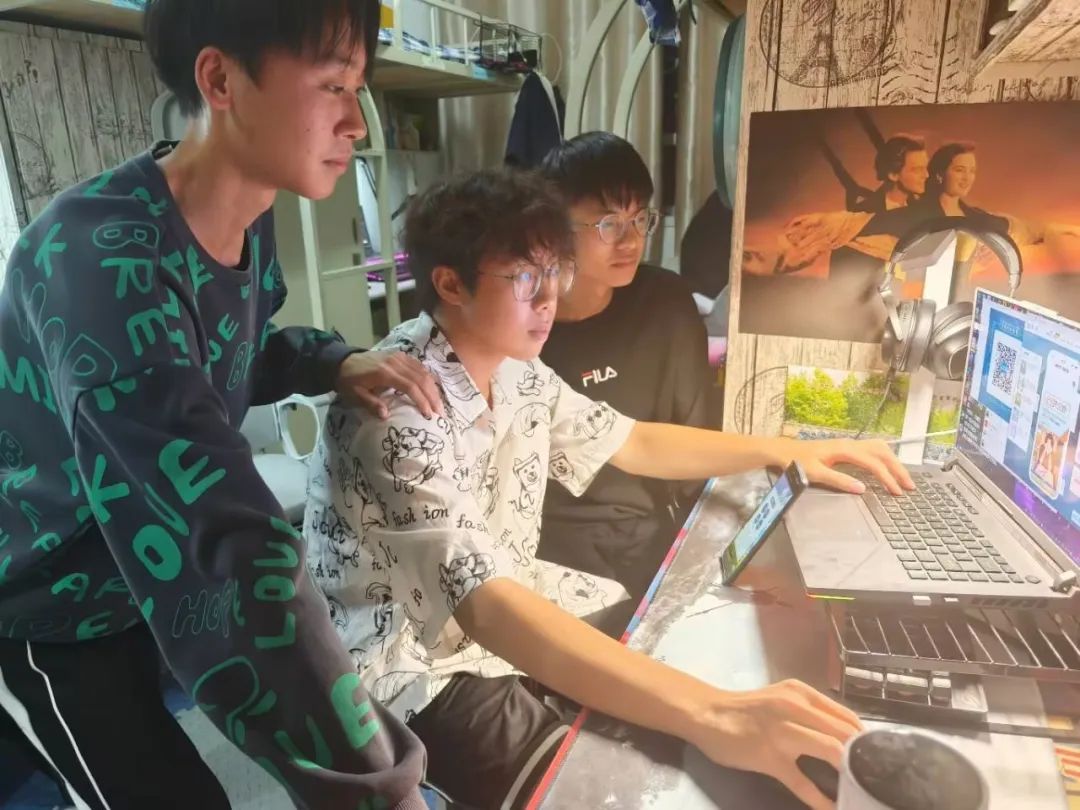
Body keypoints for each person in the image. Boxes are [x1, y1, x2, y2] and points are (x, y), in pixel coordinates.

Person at [305, 168, 915, 810]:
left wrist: (785, 451)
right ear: (451, 284)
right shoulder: (395, 413)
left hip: (507, 598)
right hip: (408, 667)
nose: (549, 299)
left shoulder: (513, 366)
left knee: (684, 649)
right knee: (601, 784)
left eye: (555, 272)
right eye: (525, 278)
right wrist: (715, 715)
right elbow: (483, 606)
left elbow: (631, 441)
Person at [0, 1, 440, 807]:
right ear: (221, 79)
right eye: (333, 85)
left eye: (359, 89)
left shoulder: (246, 221)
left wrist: (333, 360)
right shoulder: (98, 262)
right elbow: (231, 553)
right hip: (55, 606)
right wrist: (383, 789)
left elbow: (231, 354)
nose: (355, 122)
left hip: (143, 576)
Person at [535, 131, 713, 601]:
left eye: (640, 219)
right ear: (554, 226)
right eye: (608, 223)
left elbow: (691, 435)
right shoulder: (523, 318)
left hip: (640, 534)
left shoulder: (665, 303)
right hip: (540, 540)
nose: (631, 240)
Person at [853, 134, 929, 213]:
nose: (926, 175)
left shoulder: (924, 206)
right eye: (917, 170)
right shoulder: (864, 213)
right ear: (893, 175)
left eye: (925, 168)